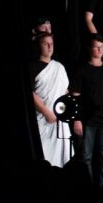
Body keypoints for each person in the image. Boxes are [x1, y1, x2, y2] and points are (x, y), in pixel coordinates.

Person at [71, 35, 103, 187]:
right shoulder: (82, 70)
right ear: (89, 49)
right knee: (85, 158)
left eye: (101, 47)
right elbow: (75, 97)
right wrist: (77, 119)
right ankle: (88, 189)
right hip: (87, 121)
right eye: (96, 47)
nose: (99, 50)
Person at [29, 32, 72, 167]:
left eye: (51, 44)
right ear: (39, 46)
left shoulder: (59, 67)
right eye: (45, 44)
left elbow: (64, 92)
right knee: (44, 157)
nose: (49, 46)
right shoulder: (32, 67)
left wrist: (64, 111)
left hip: (60, 120)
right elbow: (30, 94)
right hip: (42, 119)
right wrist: (46, 112)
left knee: (60, 161)